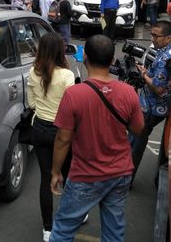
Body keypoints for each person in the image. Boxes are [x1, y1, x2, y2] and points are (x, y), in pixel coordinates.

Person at [49, 35, 144, 242]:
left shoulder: (74, 94)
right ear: (112, 61)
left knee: (64, 229)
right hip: (120, 172)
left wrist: (56, 171)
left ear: (85, 59)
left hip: (86, 174)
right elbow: (138, 129)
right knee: (113, 230)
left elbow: (63, 140)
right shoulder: (128, 92)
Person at [26, 33, 76, 242]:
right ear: (60, 51)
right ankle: (71, 218)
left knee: (46, 178)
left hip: (39, 128)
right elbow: (73, 108)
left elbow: (31, 104)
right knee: (68, 175)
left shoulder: (33, 71)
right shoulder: (67, 75)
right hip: (62, 132)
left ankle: (47, 229)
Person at [131, 21, 171, 183]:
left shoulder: (164, 58)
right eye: (152, 35)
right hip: (163, 107)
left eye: (156, 36)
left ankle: (126, 179)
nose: (152, 39)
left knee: (136, 143)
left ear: (168, 37)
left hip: (151, 107)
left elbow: (158, 89)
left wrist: (144, 75)